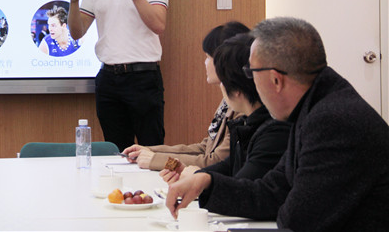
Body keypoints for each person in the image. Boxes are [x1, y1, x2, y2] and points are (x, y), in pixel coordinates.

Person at [165, 17, 389, 232]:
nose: (251, 82)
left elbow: (296, 222)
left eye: (250, 72)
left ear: (275, 80)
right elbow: (272, 190)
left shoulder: (333, 122)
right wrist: (207, 182)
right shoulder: (315, 105)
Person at [68, 0, 168, 150]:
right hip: (109, 80)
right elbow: (77, 33)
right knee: (115, 151)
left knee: (151, 149)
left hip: (143, 77)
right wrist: (73, 3)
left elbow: (158, 25)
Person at [161, 33, 290, 183]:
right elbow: (228, 166)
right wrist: (197, 175)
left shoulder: (272, 133)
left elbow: (242, 188)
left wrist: (198, 178)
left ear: (236, 89)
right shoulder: (247, 124)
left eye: (223, 81)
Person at [122, 21, 250, 170]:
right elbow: (205, 148)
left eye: (208, 57)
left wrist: (158, 161)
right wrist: (151, 151)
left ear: (225, 59)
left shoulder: (242, 106)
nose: (205, 63)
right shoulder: (227, 102)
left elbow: (214, 162)